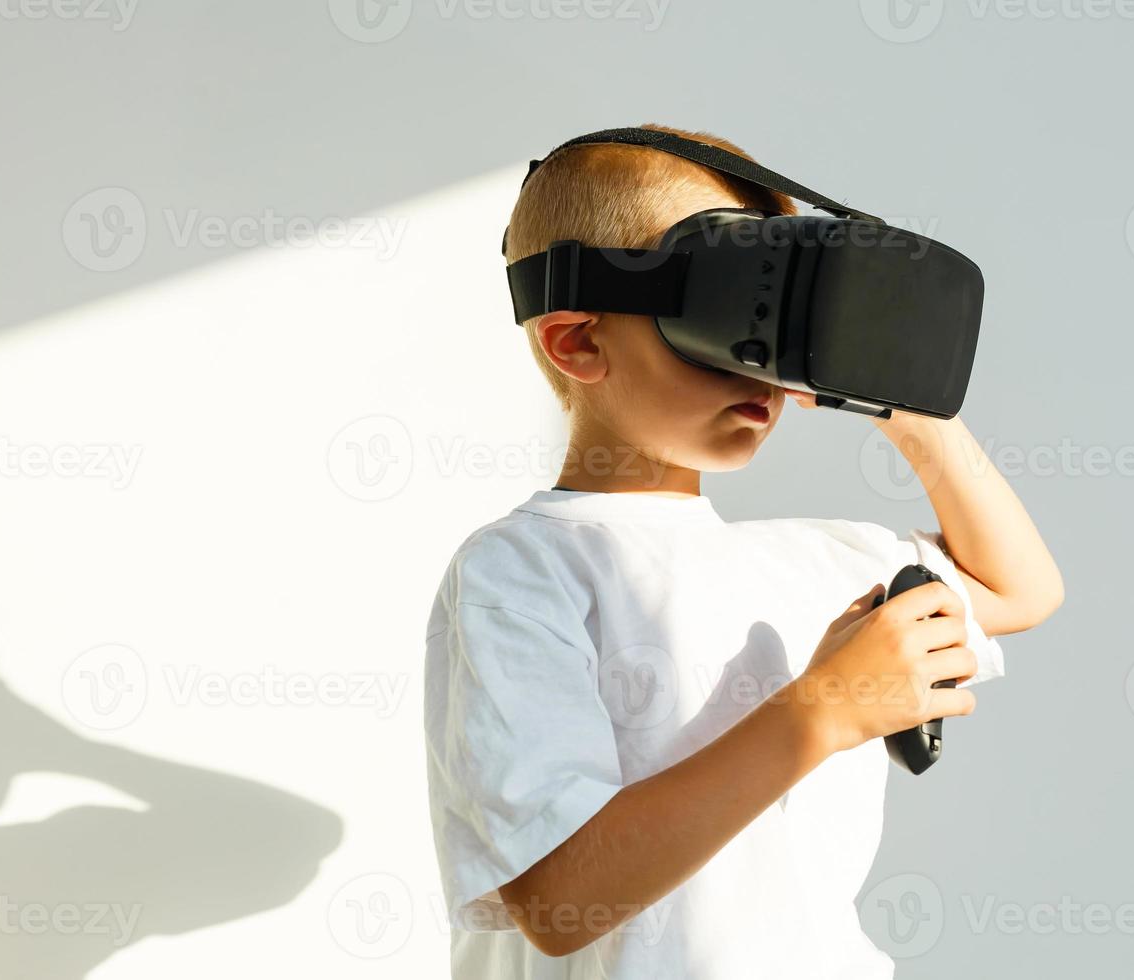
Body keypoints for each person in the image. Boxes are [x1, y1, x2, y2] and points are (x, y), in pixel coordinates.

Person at [422, 122, 1063, 979]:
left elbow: (1016, 590)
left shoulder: (823, 560)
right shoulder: (522, 570)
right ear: (578, 340)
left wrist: (901, 391)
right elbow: (557, 899)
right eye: (732, 319)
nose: (759, 374)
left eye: (783, 324)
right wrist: (823, 709)